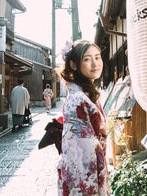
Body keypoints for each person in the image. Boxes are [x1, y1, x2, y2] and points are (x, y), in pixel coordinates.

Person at [57, 40, 110, 195]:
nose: (95, 63)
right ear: (74, 65)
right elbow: (83, 154)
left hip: (93, 169)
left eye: (97, 57)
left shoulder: (86, 94)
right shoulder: (77, 99)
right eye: (87, 59)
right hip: (84, 177)